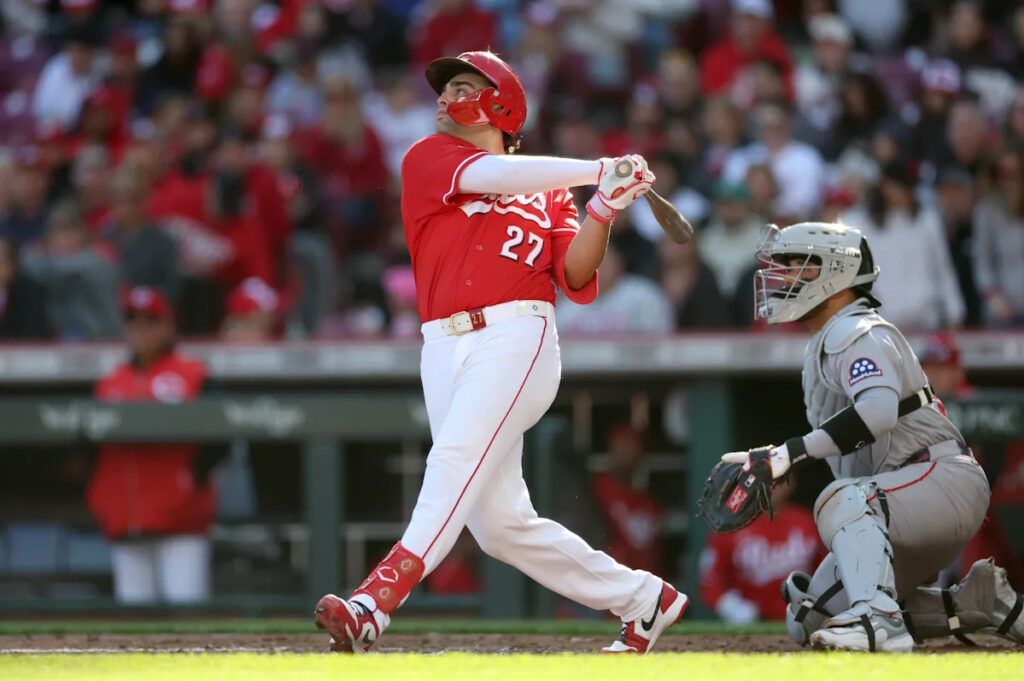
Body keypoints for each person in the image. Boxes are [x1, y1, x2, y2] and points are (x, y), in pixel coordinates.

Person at [315, 51, 687, 655]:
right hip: (441, 344)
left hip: (517, 334)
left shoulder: (550, 196)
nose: (444, 97)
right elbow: (492, 176)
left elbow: (576, 276)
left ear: (501, 105)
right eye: (446, 88)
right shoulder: (429, 156)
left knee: (453, 459)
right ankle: (645, 599)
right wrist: (597, 169)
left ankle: (372, 604)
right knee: (499, 526)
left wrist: (604, 208)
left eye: (462, 87)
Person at [719, 222, 1023, 651]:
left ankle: (880, 620)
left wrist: (789, 454)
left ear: (836, 274)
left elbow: (877, 413)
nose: (782, 276)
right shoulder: (830, 336)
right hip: (904, 497)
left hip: (938, 478)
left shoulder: (856, 329)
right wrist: (780, 456)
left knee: (840, 498)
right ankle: (980, 604)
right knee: (810, 618)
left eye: (797, 265)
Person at [86, 286, 224, 604]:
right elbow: (88, 447)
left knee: (187, 615)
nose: (141, 330)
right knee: (134, 626)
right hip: (123, 517)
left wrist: (194, 478)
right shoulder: (109, 381)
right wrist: (100, 494)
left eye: (150, 321)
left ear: (168, 326)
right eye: (133, 322)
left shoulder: (194, 375)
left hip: (181, 518)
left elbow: (221, 438)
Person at [700, 477, 824, 623]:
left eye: (779, 482)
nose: (772, 488)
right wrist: (731, 606)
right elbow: (710, 582)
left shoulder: (807, 521)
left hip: (801, 617)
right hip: (752, 620)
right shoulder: (731, 525)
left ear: (791, 484)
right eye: (765, 480)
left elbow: (828, 571)